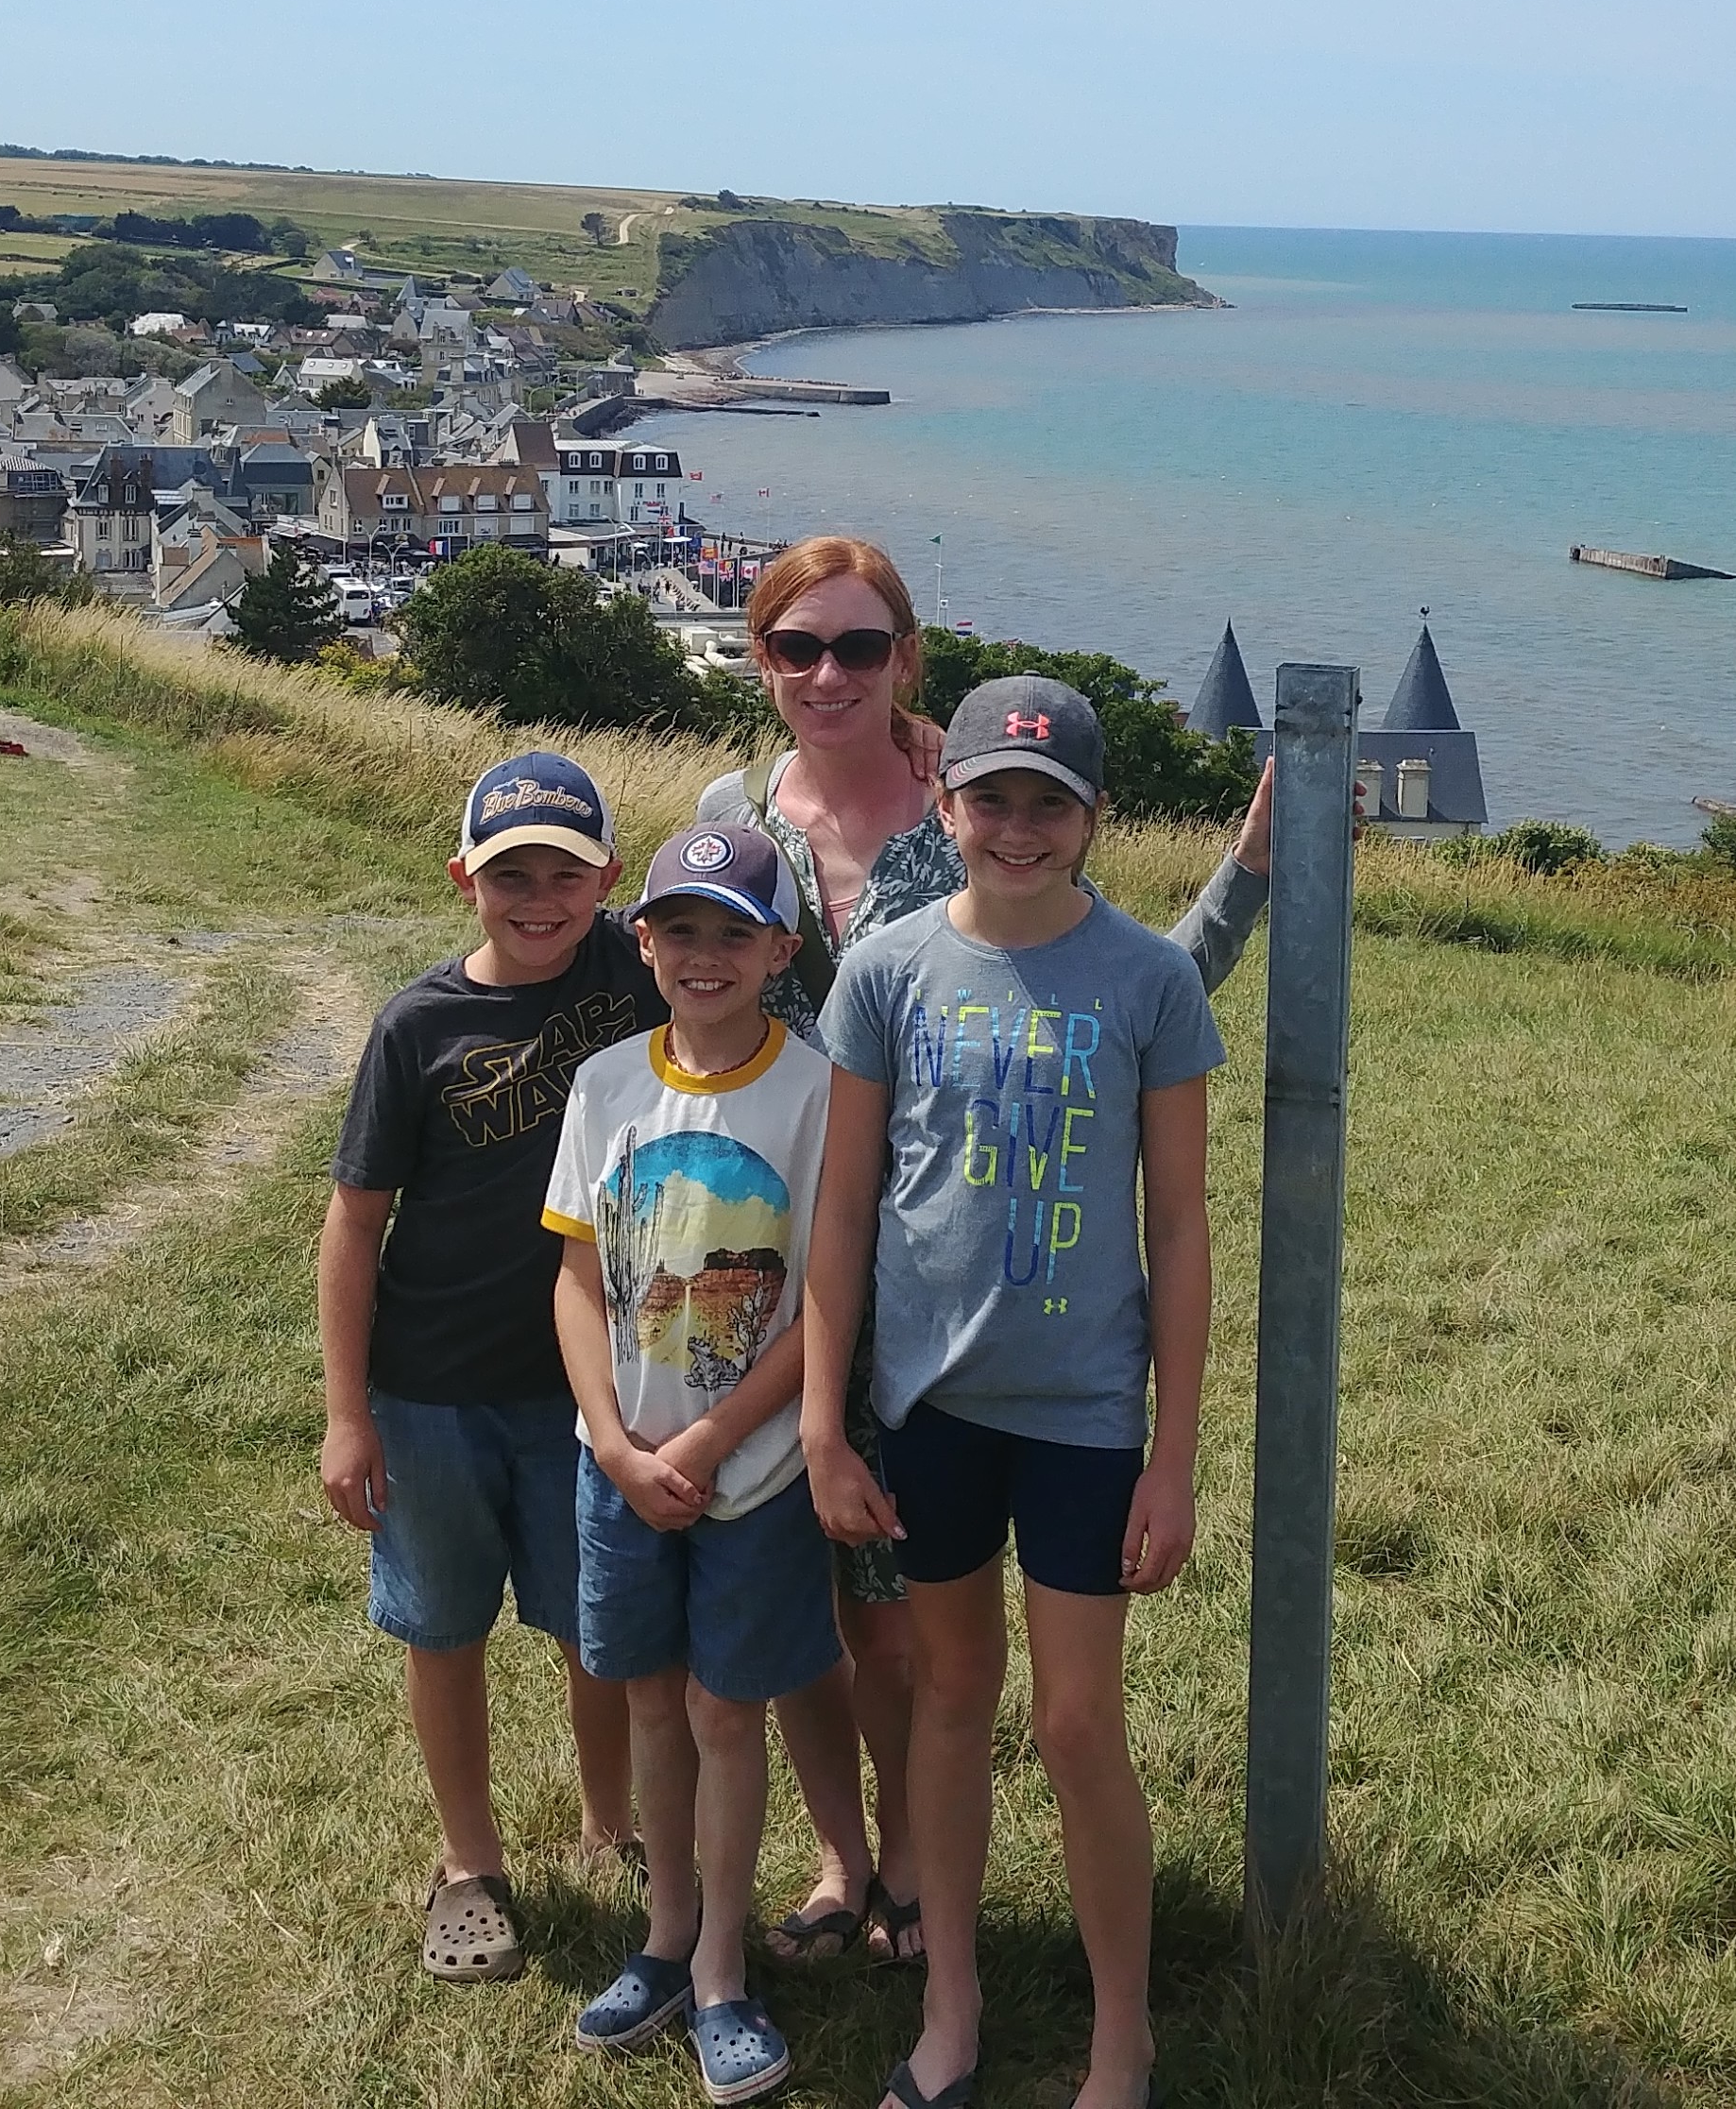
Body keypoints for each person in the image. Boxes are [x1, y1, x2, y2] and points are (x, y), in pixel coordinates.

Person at [693, 535, 1269, 1972]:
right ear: (763, 660)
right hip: (778, 1242)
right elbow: (685, 976)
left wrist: (1255, 867)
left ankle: (912, 1865)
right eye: (798, 646)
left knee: (910, 1635)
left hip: (950, 1284)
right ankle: (845, 1856)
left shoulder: (961, 796)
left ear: (906, 660)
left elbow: (1105, 987)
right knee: (805, 1592)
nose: (829, 672)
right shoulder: (733, 814)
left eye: (860, 645)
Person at [804, 676, 1222, 2109]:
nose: (1020, 829)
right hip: (931, 1408)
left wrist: (1173, 1457)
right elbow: (844, 1208)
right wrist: (823, 1424)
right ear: (946, 804)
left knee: (1077, 1724)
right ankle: (954, 2006)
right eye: (993, 799)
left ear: (1096, 818)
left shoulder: (1150, 980)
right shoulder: (889, 971)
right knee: (949, 1696)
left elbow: (1180, 1228)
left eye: (1052, 804)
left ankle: (1122, 2036)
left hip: (1085, 1415)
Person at [318, 748, 650, 1985]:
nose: (539, 900)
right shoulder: (417, 1026)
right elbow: (354, 1222)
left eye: (566, 874)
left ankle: (613, 1827)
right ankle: (471, 1863)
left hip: (592, 1383)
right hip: (434, 1382)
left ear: (608, 879)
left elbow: (755, 879)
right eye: (511, 875)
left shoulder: (640, 965)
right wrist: (347, 1415)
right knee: (442, 1625)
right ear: (464, 879)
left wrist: (910, 743)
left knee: (598, 1623)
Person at [546, 824, 841, 2105]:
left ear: (781, 950)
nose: (704, 955)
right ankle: (664, 1936)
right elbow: (575, 1279)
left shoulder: (817, 1093)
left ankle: (722, 1965)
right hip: (618, 1467)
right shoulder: (607, 1084)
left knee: (728, 1711)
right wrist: (615, 1443)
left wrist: (715, 1439)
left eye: (735, 932)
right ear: (643, 939)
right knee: (653, 1702)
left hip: (754, 1472)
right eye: (680, 930)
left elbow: (826, 1298)